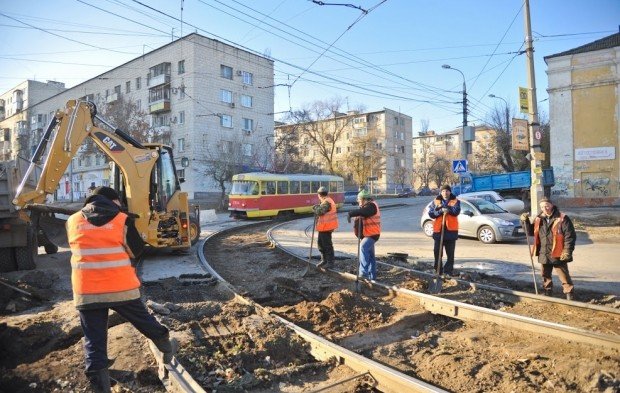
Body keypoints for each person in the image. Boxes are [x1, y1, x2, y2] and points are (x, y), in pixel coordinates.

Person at [66, 186, 177, 392]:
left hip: (87, 292)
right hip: (121, 288)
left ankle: (100, 387)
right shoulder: (122, 220)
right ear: (114, 201)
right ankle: (165, 344)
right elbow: (137, 250)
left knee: (94, 342)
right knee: (144, 321)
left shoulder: (72, 221)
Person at [521, 197, 576, 300]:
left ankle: (569, 295)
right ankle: (548, 293)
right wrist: (525, 222)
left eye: (546, 205)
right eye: (542, 207)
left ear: (551, 205)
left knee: (564, 276)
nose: (545, 208)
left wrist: (567, 250)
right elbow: (530, 232)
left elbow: (570, 236)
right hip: (544, 252)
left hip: (558, 253)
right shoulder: (539, 218)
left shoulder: (562, 218)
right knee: (545, 276)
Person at [347, 189, 381, 280]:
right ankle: (372, 277)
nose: (358, 201)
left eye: (359, 199)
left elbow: (364, 212)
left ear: (364, 199)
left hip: (372, 234)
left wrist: (351, 213)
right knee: (370, 255)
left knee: (363, 247)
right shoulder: (368, 206)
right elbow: (362, 215)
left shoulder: (371, 206)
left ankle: (363, 273)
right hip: (369, 234)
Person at [428, 184, 461, 277]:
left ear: (450, 192)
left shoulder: (455, 201)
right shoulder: (436, 202)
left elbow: (456, 212)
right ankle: (438, 270)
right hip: (439, 232)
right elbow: (431, 213)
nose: (445, 193)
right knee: (437, 253)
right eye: (443, 191)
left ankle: (448, 272)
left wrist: (448, 210)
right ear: (441, 192)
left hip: (451, 232)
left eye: (446, 191)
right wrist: (440, 211)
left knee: (450, 255)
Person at [313, 186, 339, 269]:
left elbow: (320, 212)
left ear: (319, 195)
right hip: (323, 227)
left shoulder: (327, 202)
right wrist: (318, 206)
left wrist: (315, 207)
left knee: (327, 245)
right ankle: (324, 260)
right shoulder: (325, 201)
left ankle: (330, 262)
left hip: (327, 227)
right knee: (321, 244)